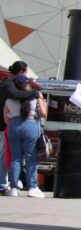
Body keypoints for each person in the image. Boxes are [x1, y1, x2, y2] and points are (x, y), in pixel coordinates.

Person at [4, 75, 47, 198]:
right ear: (27, 85)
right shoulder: (36, 96)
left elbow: (6, 118)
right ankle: (32, 187)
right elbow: (44, 113)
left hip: (14, 125)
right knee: (30, 157)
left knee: (15, 158)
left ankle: (13, 187)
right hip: (31, 124)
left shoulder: (9, 100)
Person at [0, 61, 38, 196]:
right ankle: (5, 184)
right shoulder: (9, 85)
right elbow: (16, 95)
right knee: (24, 156)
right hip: (10, 126)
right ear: (21, 72)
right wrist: (34, 93)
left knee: (13, 157)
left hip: (10, 126)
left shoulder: (7, 85)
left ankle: (12, 186)